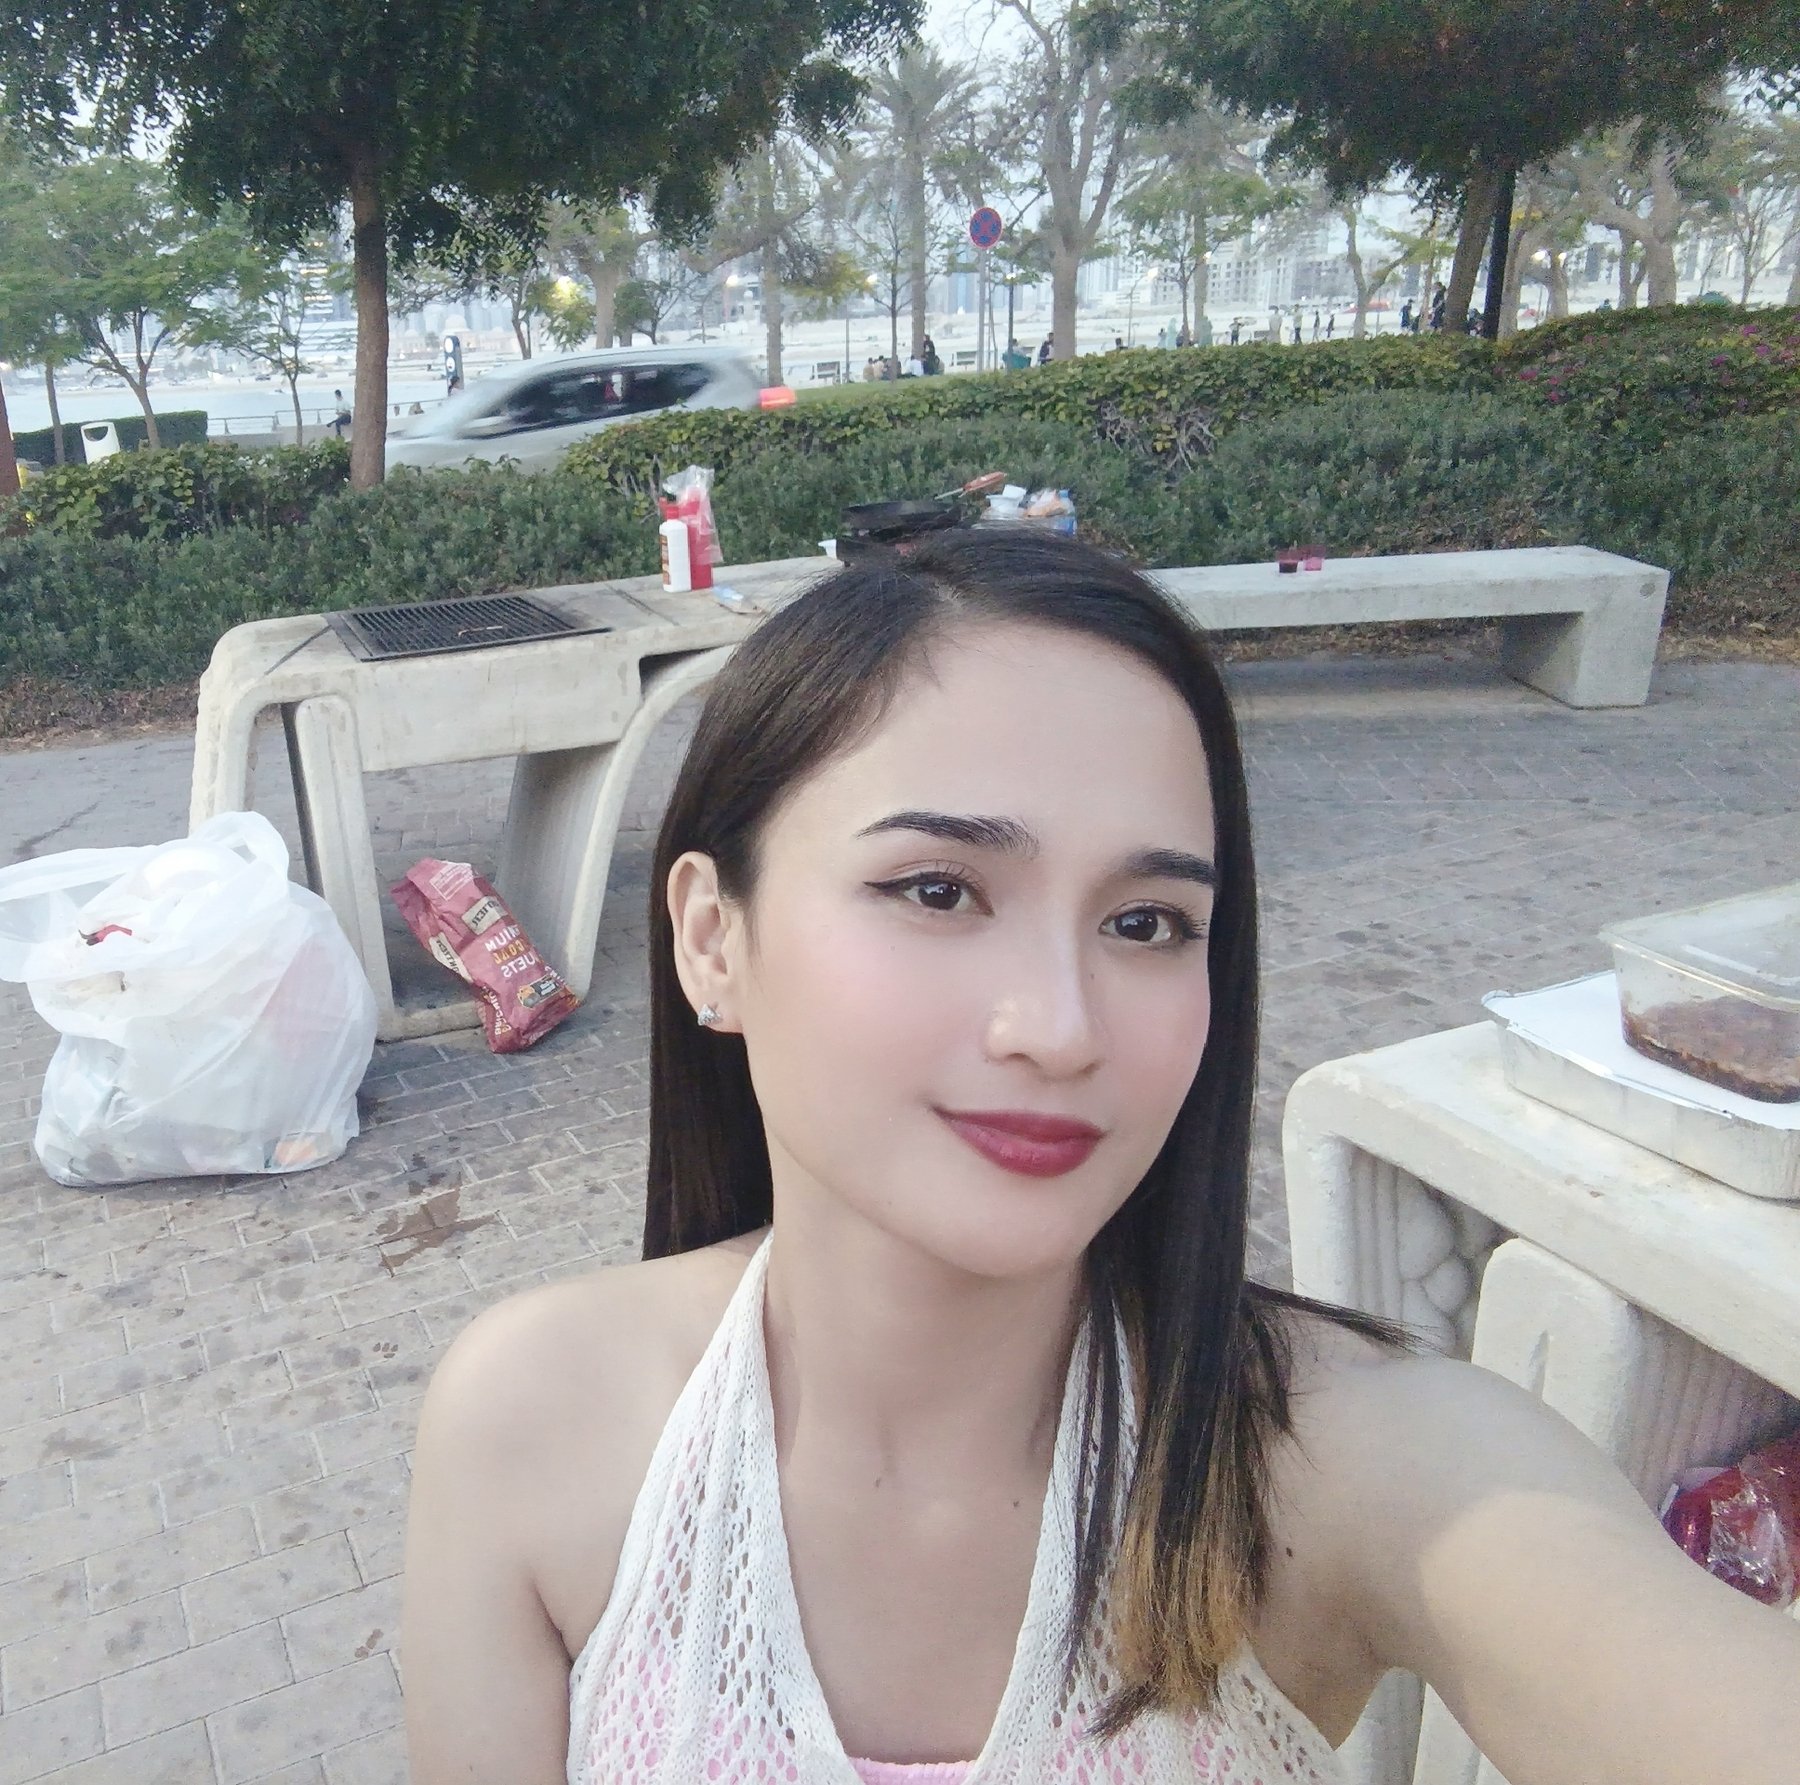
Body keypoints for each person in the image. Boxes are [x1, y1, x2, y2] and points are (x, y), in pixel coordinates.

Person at [401, 526, 1800, 1785]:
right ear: (712, 938)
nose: (1062, 1029)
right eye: (938, 889)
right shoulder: (534, 1422)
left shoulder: (1342, 1465)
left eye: (1146, 924)